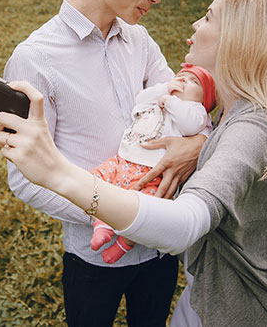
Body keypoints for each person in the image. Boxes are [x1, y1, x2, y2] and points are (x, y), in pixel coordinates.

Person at [0, 0, 267, 327]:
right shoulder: (230, 114)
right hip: (199, 297)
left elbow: (187, 221)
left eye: (207, 17)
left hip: (233, 310)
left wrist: (56, 172)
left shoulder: (252, 128)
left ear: (237, 39)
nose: (194, 22)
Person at [2, 0, 206, 327]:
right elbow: (23, 177)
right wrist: (110, 211)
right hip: (92, 256)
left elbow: (186, 110)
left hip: (160, 244)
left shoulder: (141, 41)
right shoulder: (34, 58)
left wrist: (199, 143)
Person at [90, 63, 215, 264]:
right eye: (182, 76)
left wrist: (171, 102)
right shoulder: (156, 101)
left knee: (142, 210)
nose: (184, 80)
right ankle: (100, 224)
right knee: (95, 179)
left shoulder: (196, 111)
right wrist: (164, 90)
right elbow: (140, 99)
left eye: (194, 82)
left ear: (205, 99)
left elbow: (190, 124)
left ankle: (124, 244)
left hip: (152, 173)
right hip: (124, 160)